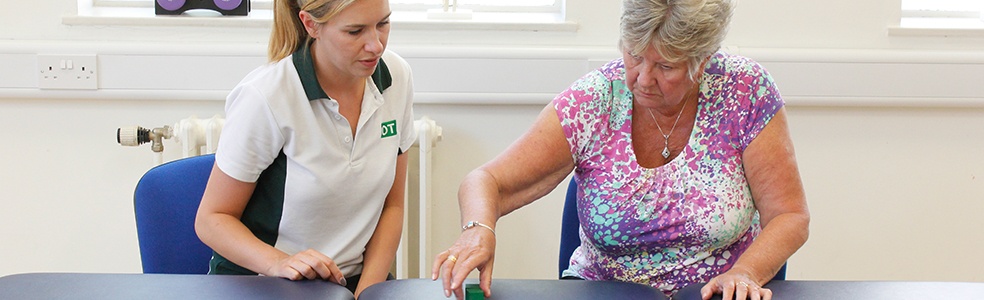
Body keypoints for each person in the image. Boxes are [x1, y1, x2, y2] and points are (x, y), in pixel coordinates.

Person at [431, 0, 809, 299]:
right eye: (635, 55)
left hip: (714, 289)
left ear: (703, 61)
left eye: (665, 66)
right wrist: (477, 230)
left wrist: (745, 272)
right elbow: (487, 179)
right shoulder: (595, 101)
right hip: (605, 291)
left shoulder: (744, 91)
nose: (643, 80)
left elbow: (789, 215)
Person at [194, 0, 414, 296]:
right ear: (311, 25)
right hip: (266, 282)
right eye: (355, 31)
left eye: (383, 24)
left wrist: (368, 291)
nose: (375, 45)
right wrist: (279, 264)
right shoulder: (267, 95)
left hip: (351, 282)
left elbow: (393, 205)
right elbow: (211, 220)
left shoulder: (396, 77)